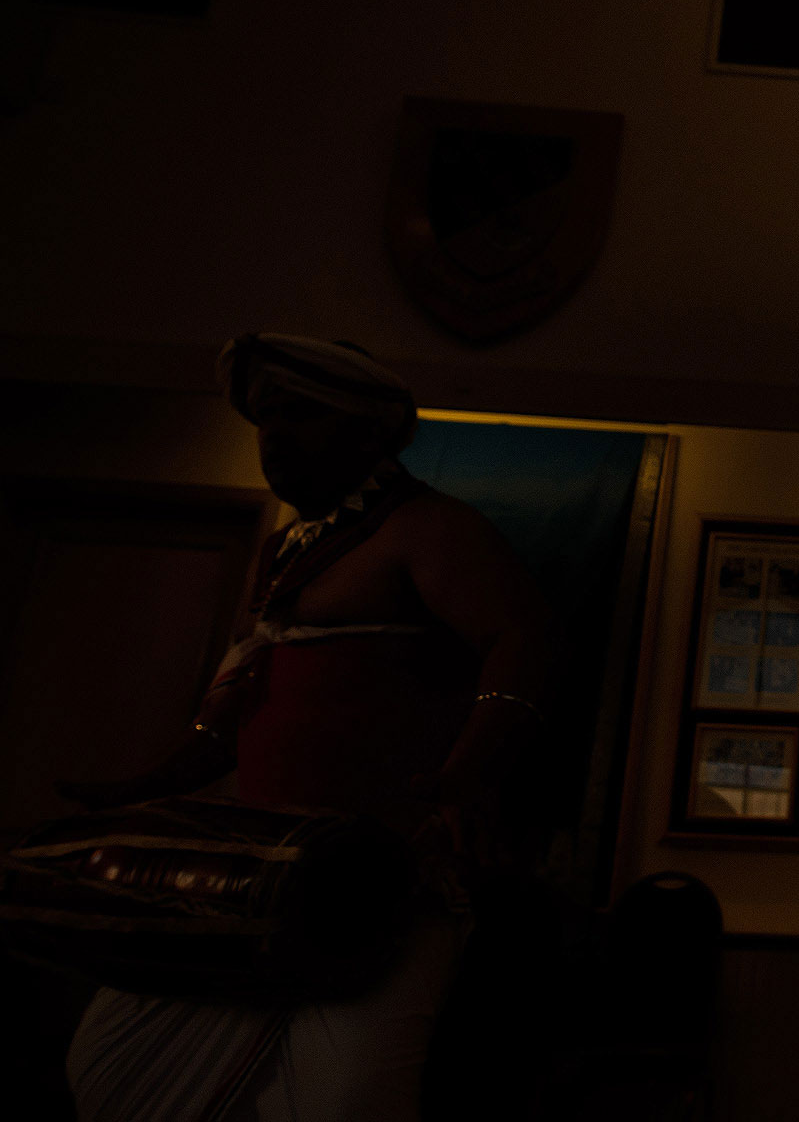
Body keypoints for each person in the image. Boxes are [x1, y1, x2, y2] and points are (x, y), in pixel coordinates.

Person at [60, 333, 553, 1122]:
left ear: (366, 428)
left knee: (346, 1102)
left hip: (381, 880)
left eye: (296, 415)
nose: (274, 438)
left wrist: (462, 775)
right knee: (108, 1073)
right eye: (264, 419)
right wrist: (138, 793)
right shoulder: (283, 554)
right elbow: (226, 724)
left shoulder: (429, 527)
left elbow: (519, 639)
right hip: (256, 875)